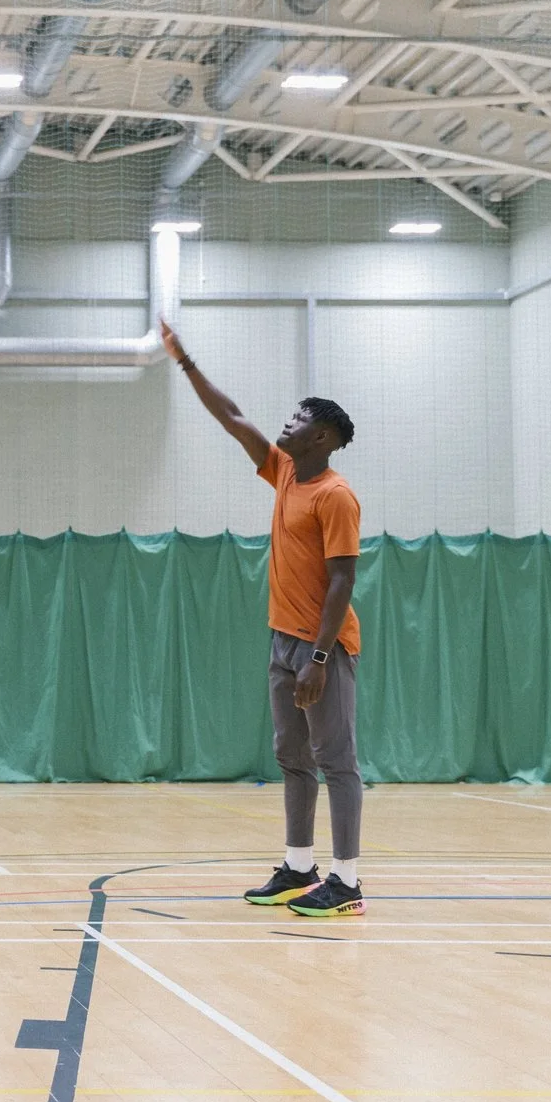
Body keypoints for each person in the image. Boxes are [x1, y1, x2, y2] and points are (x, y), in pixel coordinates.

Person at [159, 321, 366, 918]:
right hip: (282, 642)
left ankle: (347, 882)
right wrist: (187, 362)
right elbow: (233, 419)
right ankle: (299, 868)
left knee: (337, 762)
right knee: (292, 760)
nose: (287, 423)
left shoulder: (336, 495)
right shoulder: (283, 473)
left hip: (323, 648)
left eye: (299, 419)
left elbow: (343, 580)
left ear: (322, 436)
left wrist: (320, 660)